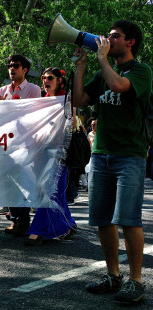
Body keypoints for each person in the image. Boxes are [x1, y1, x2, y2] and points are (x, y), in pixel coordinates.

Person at [73, 20, 152, 304]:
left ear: (130, 42)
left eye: (114, 37)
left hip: (129, 155)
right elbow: (80, 100)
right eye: (107, 35)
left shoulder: (141, 71)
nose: (107, 39)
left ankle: (136, 281)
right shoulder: (102, 68)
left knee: (128, 220)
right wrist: (82, 68)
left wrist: (103, 60)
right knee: (103, 220)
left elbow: (118, 86)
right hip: (101, 155)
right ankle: (112, 276)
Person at [25, 67, 76, 245]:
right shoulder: (42, 101)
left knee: (49, 191)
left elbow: (72, 125)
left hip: (59, 153)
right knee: (55, 192)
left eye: (50, 78)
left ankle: (37, 231)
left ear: (60, 80)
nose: (46, 81)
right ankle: (67, 224)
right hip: (42, 152)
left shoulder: (67, 99)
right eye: (44, 77)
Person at [0, 55, 42, 237]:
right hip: (6, 142)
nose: (11, 69)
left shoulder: (33, 89)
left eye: (15, 66)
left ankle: (24, 220)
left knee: (22, 180)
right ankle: (15, 218)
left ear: (25, 70)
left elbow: (34, 115)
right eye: (9, 66)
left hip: (25, 143)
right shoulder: (2, 91)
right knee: (8, 180)